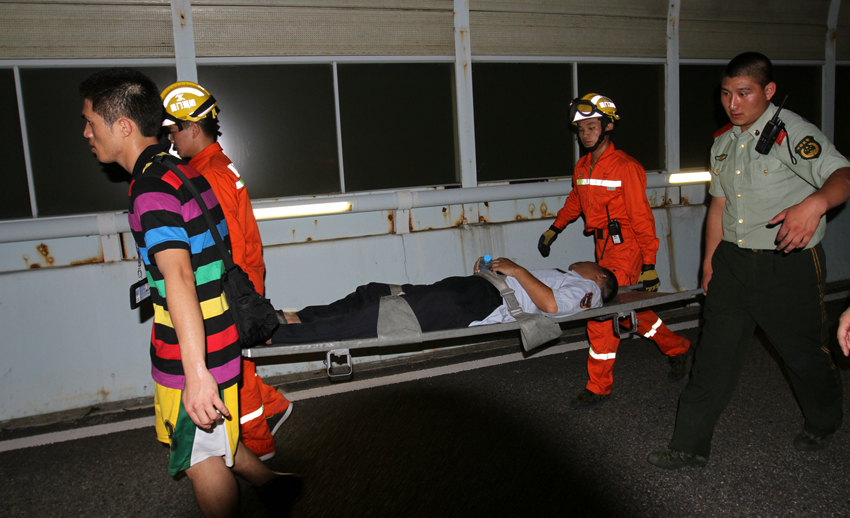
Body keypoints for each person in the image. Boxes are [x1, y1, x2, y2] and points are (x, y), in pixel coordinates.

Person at [80, 69, 300, 517]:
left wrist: (196, 372)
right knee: (211, 437)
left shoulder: (151, 188)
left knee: (200, 459)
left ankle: (268, 485)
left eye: (91, 122)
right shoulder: (179, 171)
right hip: (210, 332)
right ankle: (272, 486)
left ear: (122, 125)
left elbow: (179, 276)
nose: (86, 133)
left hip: (195, 346)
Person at [648, 52, 850, 470]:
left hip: (787, 264)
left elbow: (842, 175)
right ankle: (689, 444)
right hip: (732, 265)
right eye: (726, 94)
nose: (733, 103)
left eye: (744, 93)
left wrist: (815, 203)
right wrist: (709, 261)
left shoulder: (792, 131)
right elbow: (718, 207)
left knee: (803, 355)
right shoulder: (724, 142)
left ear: (768, 91)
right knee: (712, 357)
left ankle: (824, 420)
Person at [161, 81, 292, 462]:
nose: (172, 141)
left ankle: (260, 448)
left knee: (235, 373)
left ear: (192, 128)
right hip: (243, 279)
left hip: (231, 285)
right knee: (241, 362)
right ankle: (274, 407)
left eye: (173, 132)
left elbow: (225, 247)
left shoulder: (211, 175)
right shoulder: (214, 165)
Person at [537, 94, 690, 407]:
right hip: (603, 247)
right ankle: (678, 348)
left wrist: (649, 262)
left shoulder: (626, 167)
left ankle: (598, 386)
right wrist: (556, 227)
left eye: (591, 127)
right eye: (580, 129)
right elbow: (576, 200)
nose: (585, 134)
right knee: (628, 313)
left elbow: (641, 217)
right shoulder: (583, 165)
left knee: (599, 311)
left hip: (628, 247)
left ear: (607, 126)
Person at [271, 258, 617, 344]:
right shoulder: (570, 276)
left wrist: (516, 269)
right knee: (375, 292)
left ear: (600, 275)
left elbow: (552, 307)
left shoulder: (588, 290)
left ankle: (278, 335)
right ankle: (297, 318)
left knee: (384, 316)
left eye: (592, 262)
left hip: (480, 303)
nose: (584, 260)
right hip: (475, 290)